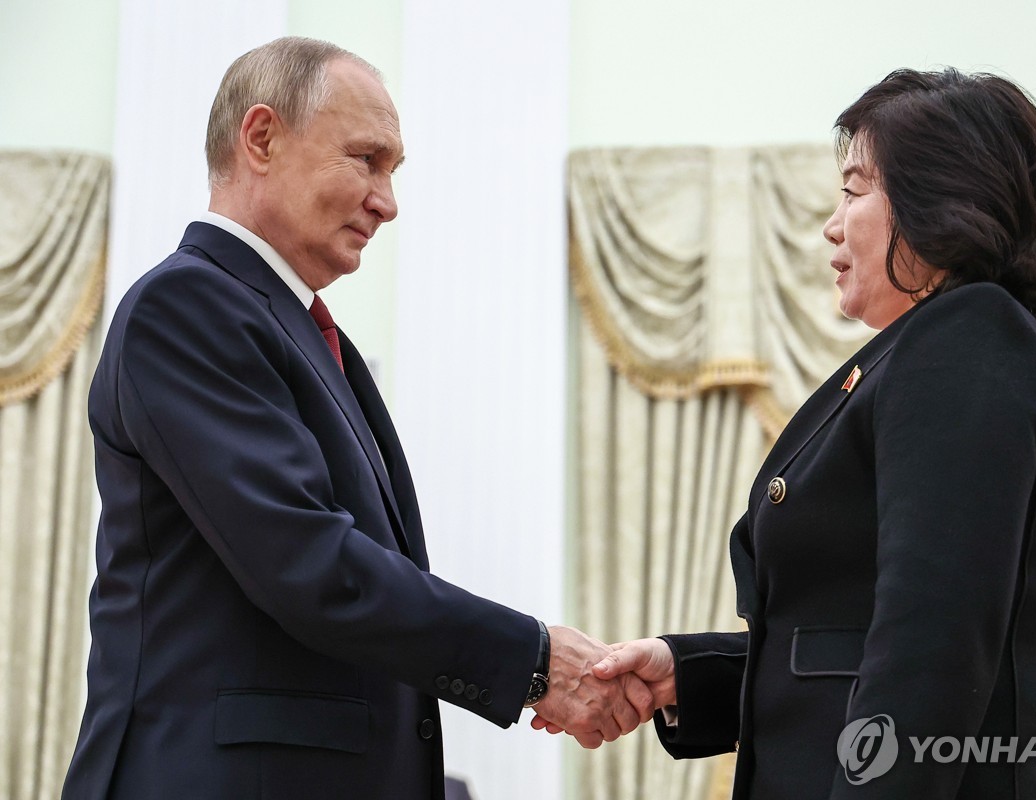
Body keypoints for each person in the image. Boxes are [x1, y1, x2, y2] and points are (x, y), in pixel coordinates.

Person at [63, 36, 650, 800]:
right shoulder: (186, 305)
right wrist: (535, 661)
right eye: (367, 159)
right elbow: (311, 563)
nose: (388, 200)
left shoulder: (303, 332)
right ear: (262, 138)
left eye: (393, 171)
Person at [554, 68, 1036, 799]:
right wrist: (688, 671)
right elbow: (845, 648)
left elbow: (927, 658)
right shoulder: (927, 351)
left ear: (938, 197)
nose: (832, 225)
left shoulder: (967, 342)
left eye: (854, 189)